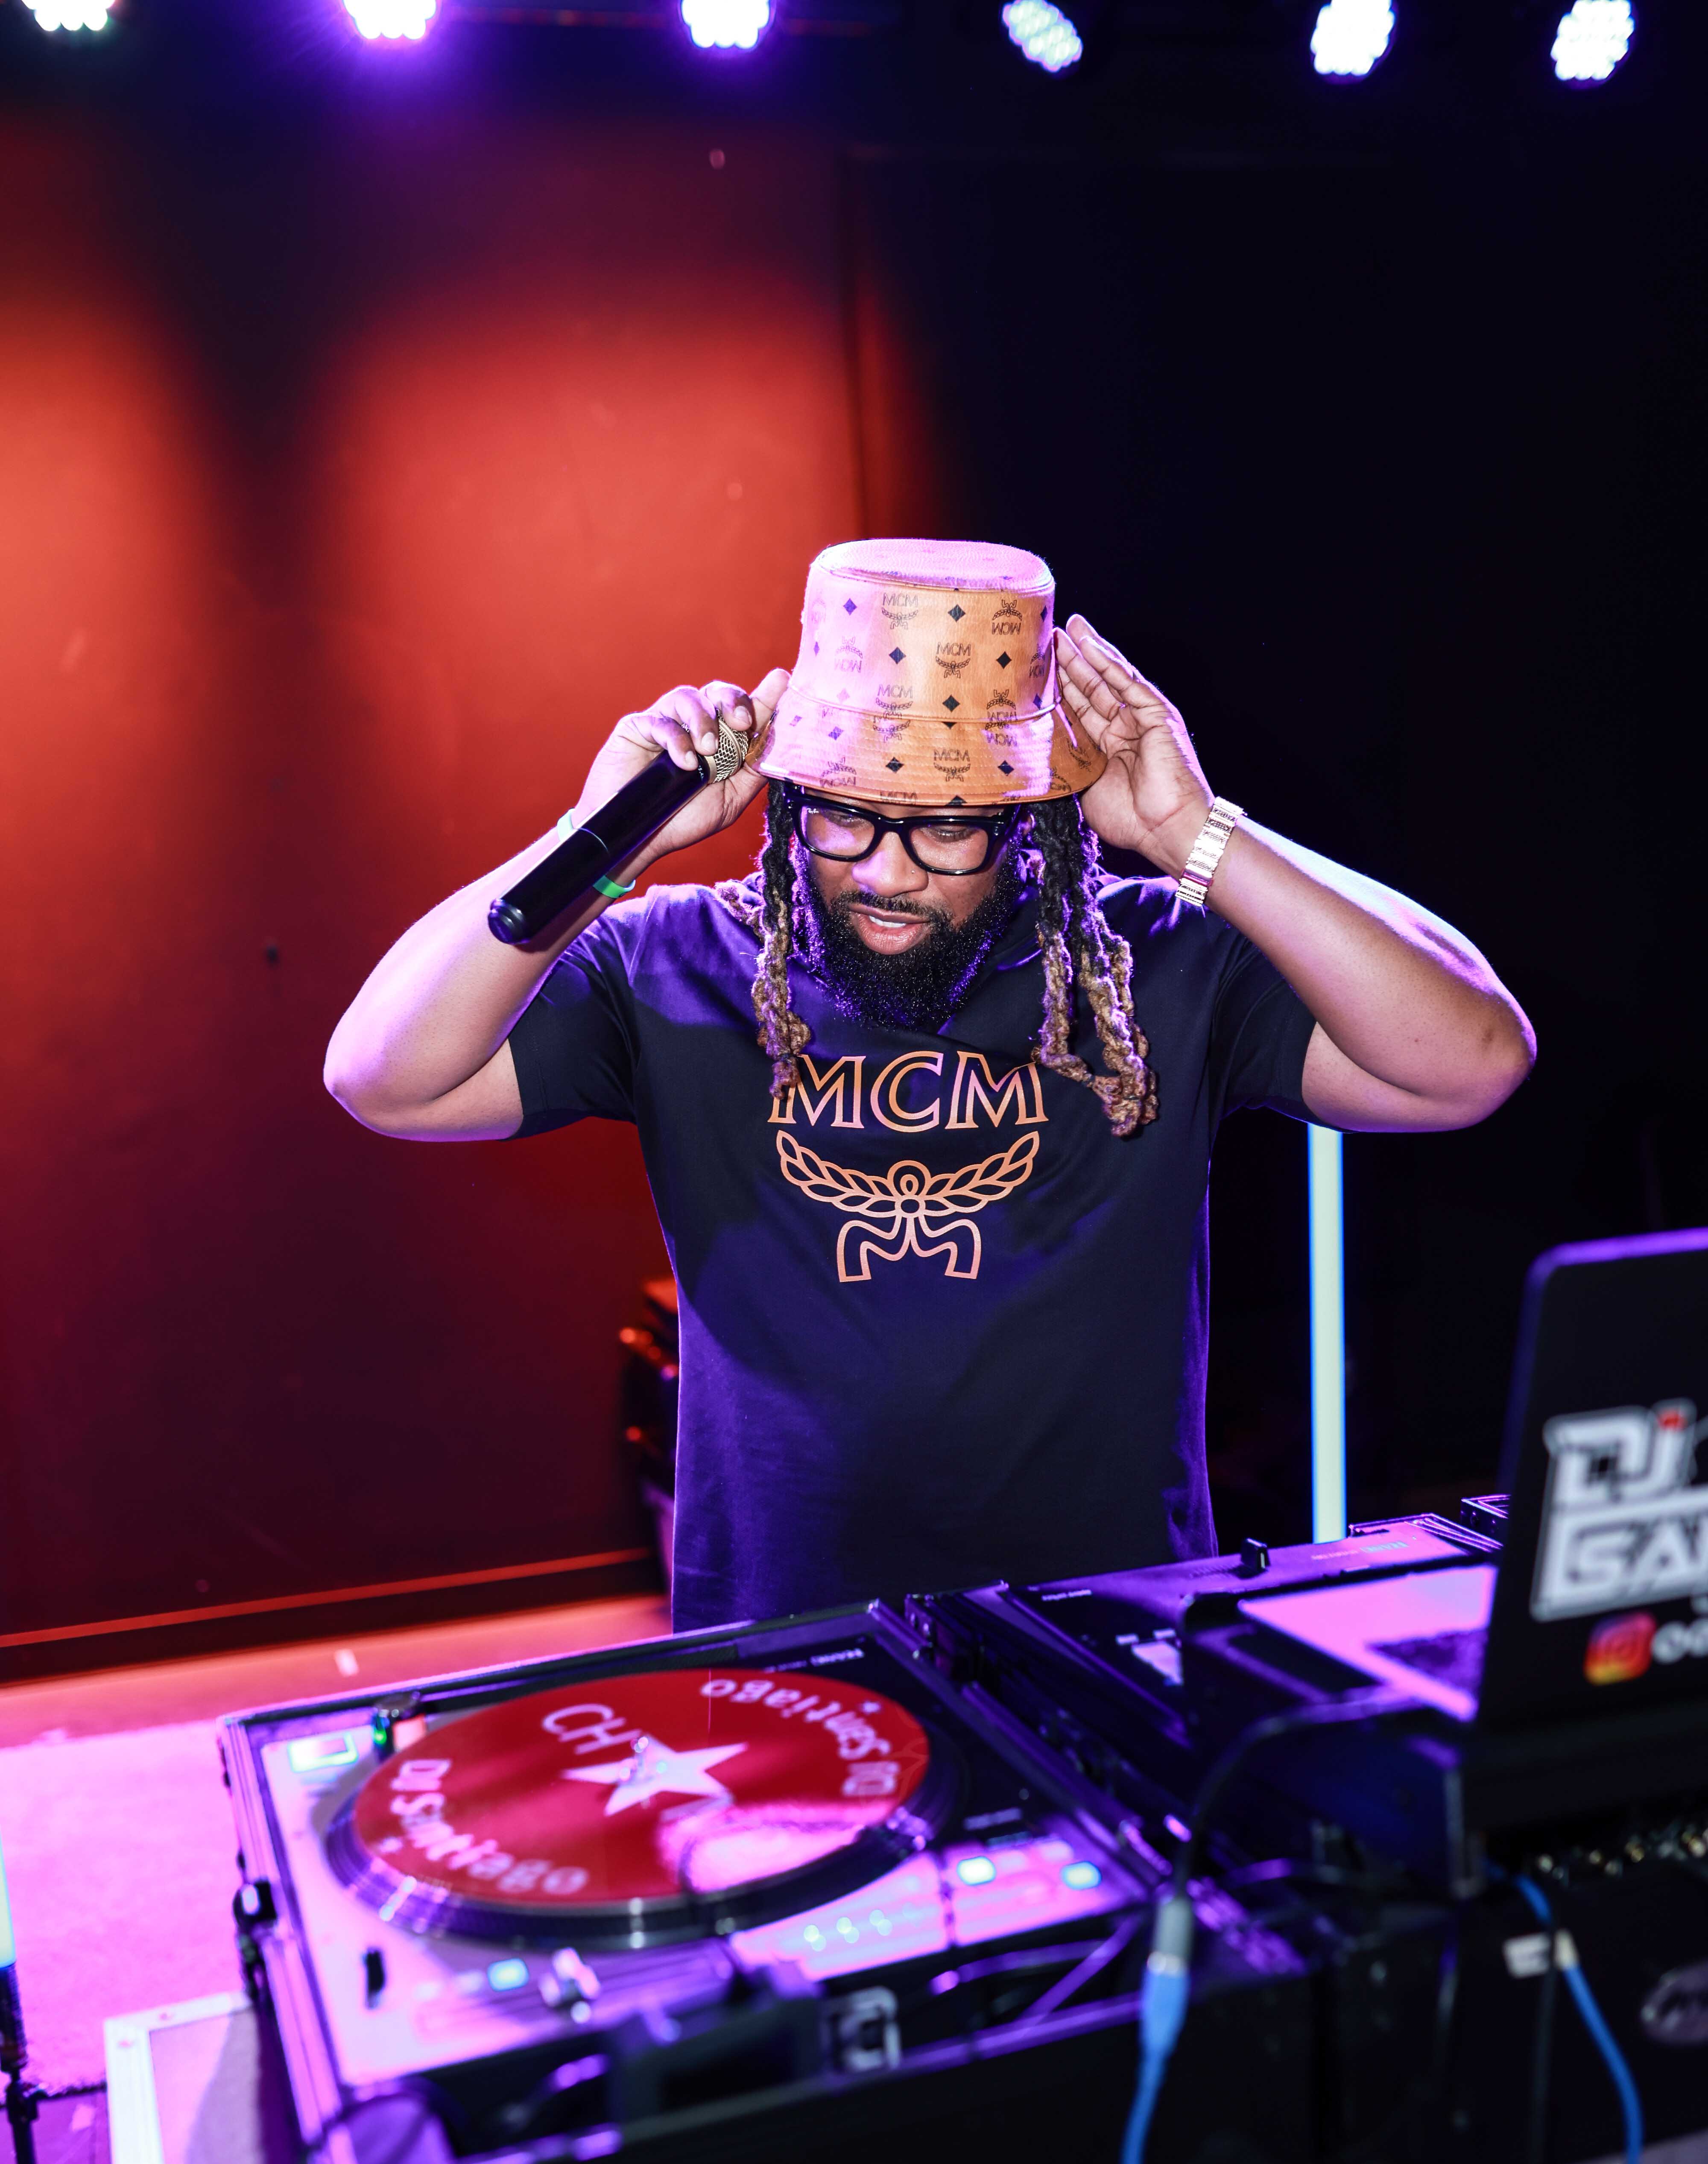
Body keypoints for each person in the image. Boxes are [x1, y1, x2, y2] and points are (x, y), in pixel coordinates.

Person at [325, 539, 1533, 1634]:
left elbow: (1470, 1060)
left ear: (1029, 820)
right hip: (784, 1638)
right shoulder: (675, 961)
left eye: (947, 829)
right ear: (790, 807)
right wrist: (605, 833)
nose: (887, 875)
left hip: (1108, 1628)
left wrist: (1195, 834)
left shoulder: (1148, 959)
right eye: (845, 822)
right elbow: (384, 1077)